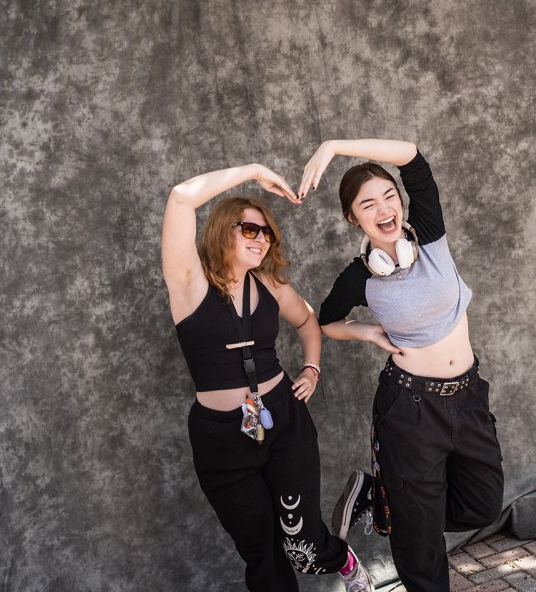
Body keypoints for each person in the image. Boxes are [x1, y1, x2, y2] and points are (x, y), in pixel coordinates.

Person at [298, 139, 505, 591]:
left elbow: (412, 157)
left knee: (484, 504)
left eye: (389, 196)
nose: (384, 209)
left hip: (467, 396)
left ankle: (381, 499)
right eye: (368, 204)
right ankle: (406, 515)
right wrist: (368, 333)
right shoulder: (359, 276)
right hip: (410, 408)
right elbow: (328, 321)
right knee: (419, 539)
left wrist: (334, 147)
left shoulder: (429, 234)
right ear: (353, 218)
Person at [161, 162, 373, 592]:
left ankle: (344, 561)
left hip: (282, 420)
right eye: (250, 230)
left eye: (267, 233)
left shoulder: (269, 285)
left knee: (301, 544)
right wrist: (255, 172)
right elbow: (181, 198)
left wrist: (312, 368)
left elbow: (308, 321)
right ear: (223, 231)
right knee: (262, 552)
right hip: (221, 437)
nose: (262, 239)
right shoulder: (189, 284)